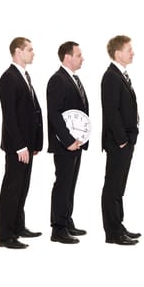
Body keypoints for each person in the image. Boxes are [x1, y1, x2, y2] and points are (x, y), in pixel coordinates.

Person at [0, 37, 44, 249]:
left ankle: (18, 226)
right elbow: (10, 117)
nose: (33, 53)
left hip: (27, 145)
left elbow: (31, 111)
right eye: (30, 50)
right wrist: (19, 146)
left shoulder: (24, 76)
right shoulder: (8, 78)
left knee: (23, 187)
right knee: (12, 189)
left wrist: (34, 143)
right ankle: (5, 236)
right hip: (18, 147)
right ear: (18, 52)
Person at [47, 41, 89, 245]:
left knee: (71, 183)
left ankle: (67, 220)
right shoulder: (57, 80)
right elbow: (54, 114)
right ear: (67, 57)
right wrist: (68, 140)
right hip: (65, 144)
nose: (82, 58)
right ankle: (58, 228)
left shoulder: (74, 79)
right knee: (62, 184)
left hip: (76, 143)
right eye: (79, 55)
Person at [101, 35, 141, 245]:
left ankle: (119, 225)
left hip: (125, 140)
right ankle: (113, 232)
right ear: (118, 53)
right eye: (129, 50)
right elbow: (111, 111)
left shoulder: (120, 75)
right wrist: (122, 139)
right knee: (113, 186)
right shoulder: (111, 76)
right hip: (119, 142)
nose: (132, 53)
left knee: (119, 186)